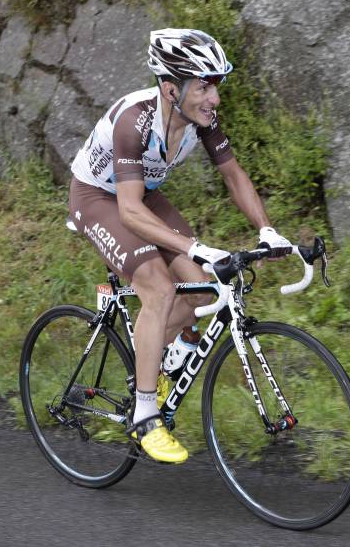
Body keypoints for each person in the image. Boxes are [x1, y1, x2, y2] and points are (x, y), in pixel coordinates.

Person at [68, 28, 292, 463]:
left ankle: (155, 359)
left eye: (216, 87)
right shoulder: (136, 120)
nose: (215, 98)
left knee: (206, 293)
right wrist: (194, 247)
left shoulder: (200, 119)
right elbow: (129, 213)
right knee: (158, 286)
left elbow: (233, 174)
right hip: (98, 197)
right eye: (204, 87)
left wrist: (268, 230)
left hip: (140, 192)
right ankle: (145, 414)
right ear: (172, 89)